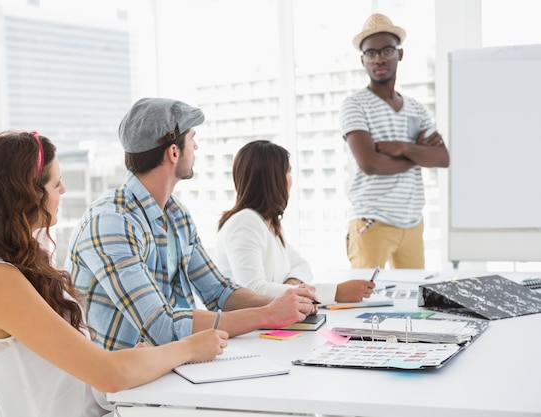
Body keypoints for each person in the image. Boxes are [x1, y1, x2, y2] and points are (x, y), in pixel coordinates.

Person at [0, 131, 228, 417]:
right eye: (56, 183)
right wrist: (188, 348)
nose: (63, 190)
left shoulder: (12, 262)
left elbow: (83, 372)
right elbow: (107, 375)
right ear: (26, 195)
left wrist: (141, 359)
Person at [66, 98, 317, 351]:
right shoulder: (112, 221)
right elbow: (161, 327)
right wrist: (268, 314)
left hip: (172, 368)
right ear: (174, 152)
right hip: (125, 384)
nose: (196, 146)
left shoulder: (176, 215)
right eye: (192, 138)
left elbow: (219, 292)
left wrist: (286, 302)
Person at [340, 13, 450, 269]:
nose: (379, 58)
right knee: (364, 301)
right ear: (362, 60)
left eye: (387, 50)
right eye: (371, 53)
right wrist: (418, 154)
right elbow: (370, 164)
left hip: (412, 223)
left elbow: (442, 158)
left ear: (400, 54)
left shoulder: (416, 109)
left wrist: (402, 148)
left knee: (414, 304)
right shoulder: (355, 105)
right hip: (372, 222)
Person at [214, 140, 374, 304]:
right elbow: (254, 291)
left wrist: (290, 286)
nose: (291, 180)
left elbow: (301, 266)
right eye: (288, 173)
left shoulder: (267, 222)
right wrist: (335, 293)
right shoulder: (245, 222)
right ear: (274, 179)